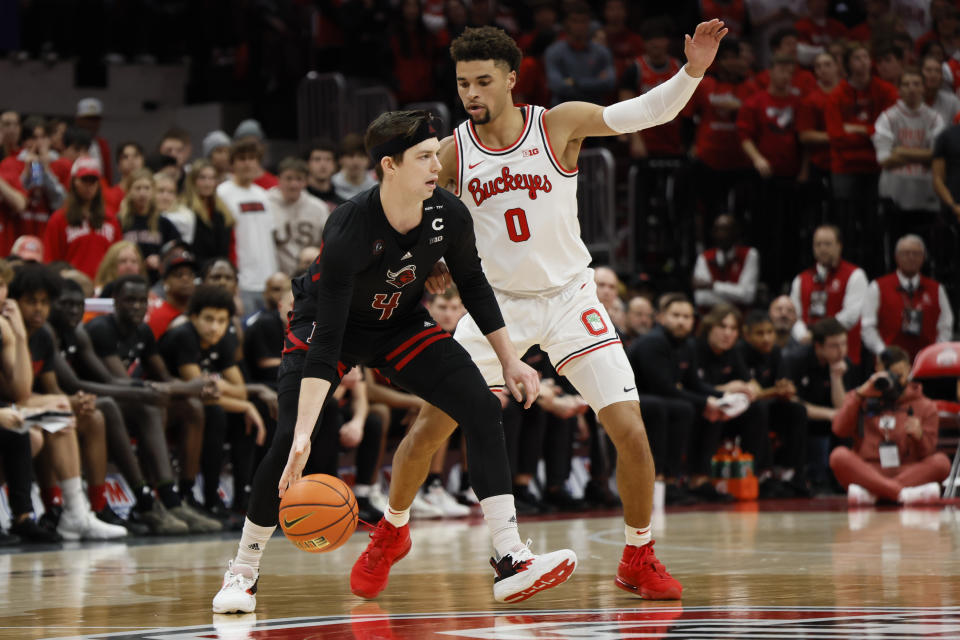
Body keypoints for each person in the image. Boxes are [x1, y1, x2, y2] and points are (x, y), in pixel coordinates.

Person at [408, 20, 726, 599]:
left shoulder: (558, 124)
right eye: (462, 84)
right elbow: (411, 208)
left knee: (629, 430)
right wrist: (430, 253)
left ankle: (638, 554)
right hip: (496, 305)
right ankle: (391, 533)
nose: (471, 94)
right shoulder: (451, 152)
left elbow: (645, 113)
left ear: (511, 78)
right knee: (431, 425)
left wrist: (693, 71)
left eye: (483, 81)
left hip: (568, 297)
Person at [212, 110, 574, 615]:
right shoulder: (348, 226)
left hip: (398, 323)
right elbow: (330, 338)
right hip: (326, 328)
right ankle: (243, 572)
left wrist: (510, 359)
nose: (437, 165)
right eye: (425, 157)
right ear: (389, 165)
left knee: (479, 405)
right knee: (289, 442)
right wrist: (303, 434)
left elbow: (473, 284)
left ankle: (510, 555)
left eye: (436, 155)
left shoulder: (449, 213)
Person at [86, 274, 221, 532]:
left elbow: (164, 378)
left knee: (191, 407)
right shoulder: (101, 329)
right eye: (129, 300)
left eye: (141, 300)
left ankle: (183, 496)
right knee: (151, 405)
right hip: (106, 402)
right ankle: (151, 500)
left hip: (133, 402)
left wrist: (194, 388)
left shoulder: (143, 331)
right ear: (114, 301)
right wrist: (190, 386)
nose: (137, 306)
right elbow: (119, 383)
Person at [830, 346, 951, 504]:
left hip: (908, 470)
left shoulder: (926, 406)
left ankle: (875, 493)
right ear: (877, 370)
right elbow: (839, 430)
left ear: (909, 370)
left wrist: (920, 436)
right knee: (838, 456)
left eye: (899, 375)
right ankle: (902, 494)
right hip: (870, 470)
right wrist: (858, 396)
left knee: (941, 462)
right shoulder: (862, 397)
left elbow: (927, 453)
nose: (894, 381)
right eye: (889, 375)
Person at [783, 317, 861, 493]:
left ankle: (843, 478)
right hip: (798, 419)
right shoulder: (796, 360)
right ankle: (802, 478)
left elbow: (842, 407)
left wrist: (836, 377)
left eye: (844, 344)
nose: (841, 351)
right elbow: (791, 401)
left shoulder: (844, 364)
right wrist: (828, 414)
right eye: (834, 345)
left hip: (829, 420)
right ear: (818, 346)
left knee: (849, 420)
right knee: (798, 414)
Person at [873, 67, 945, 250]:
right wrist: (923, 155)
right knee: (897, 247)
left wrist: (901, 151)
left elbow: (937, 157)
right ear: (899, 89)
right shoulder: (888, 118)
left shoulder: (934, 118)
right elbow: (884, 159)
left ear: (923, 88)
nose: (911, 88)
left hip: (926, 196)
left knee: (926, 249)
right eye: (906, 84)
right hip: (894, 195)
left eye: (916, 84)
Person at [860, 234, 954, 362]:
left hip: (926, 361)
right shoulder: (877, 286)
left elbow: (945, 325)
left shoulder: (936, 289)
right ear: (896, 257)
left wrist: (935, 352)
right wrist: (883, 352)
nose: (911, 257)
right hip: (890, 361)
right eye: (906, 253)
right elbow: (867, 326)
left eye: (916, 253)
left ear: (923, 257)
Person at [789, 225, 868, 366]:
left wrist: (816, 335)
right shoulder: (801, 279)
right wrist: (802, 335)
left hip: (843, 357)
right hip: (809, 356)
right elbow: (795, 316)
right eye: (818, 244)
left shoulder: (855, 275)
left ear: (839, 246)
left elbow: (850, 316)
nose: (822, 249)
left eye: (827, 244)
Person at [217, 141, 278, 315]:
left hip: (268, 279)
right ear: (232, 163)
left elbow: (270, 238)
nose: (248, 163)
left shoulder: (263, 194)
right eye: (242, 159)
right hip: (242, 281)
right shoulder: (222, 193)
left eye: (252, 158)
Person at [43, 157, 122, 279]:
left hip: (104, 287)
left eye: (93, 181)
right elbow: (50, 259)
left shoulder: (110, 219)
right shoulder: (59, 219)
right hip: (72, 287)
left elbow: (118, 257)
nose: (89, 185)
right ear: (74, 182)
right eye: (84, 180)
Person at [544, 2, 616, 106]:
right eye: (575, 21)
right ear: (566, 23)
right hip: (563, 110)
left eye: (583, 21)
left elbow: (609, 83)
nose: (579, 26)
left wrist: (574, 81)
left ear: (589, 23)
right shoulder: (554, 52)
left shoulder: (602, 52)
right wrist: (594, 83)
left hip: (594, 109)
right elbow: (557, 85)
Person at [268, 157, 330, 276]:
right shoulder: (266, 204)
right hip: (277, 277)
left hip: (310, 277)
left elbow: (328, 244)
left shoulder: (319, 208)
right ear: (278, 179)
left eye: (299, 179)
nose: (294, 184)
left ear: (306, 181)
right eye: (289, 178)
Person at [692, 214, 758, 311]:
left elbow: (748, 296)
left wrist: (712, 285)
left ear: (736, 232)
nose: (722, 234)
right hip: (710, 319)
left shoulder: (749, 255)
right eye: (718, 230)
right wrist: (735, 296)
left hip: (740, 319)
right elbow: (701, 298)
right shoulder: (704, 257)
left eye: (726, 229)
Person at [331, 134, 378, 201]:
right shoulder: (331, 186)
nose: (356, 162)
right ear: (340, 159)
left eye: (361, 156)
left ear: (368, 160)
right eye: (350, 156)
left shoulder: (377, 188)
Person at [305, 139, 346, 210]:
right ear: (307, 164)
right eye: (317, 159)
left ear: (335, 165)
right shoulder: (298, 198)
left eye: (328, 159)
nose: (323, 164)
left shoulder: (342, 204)